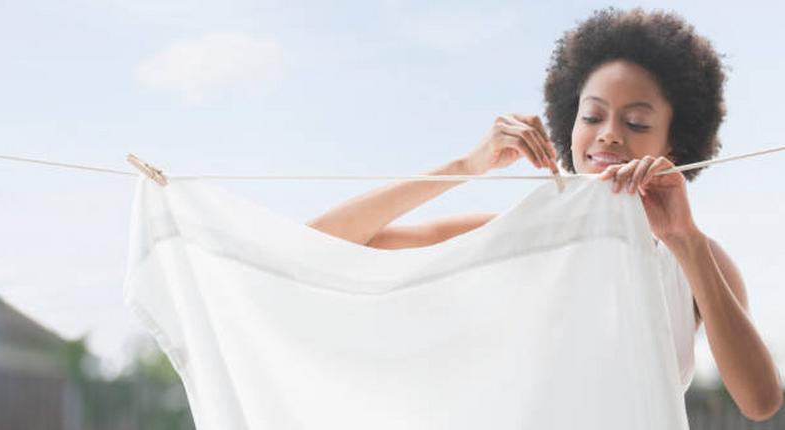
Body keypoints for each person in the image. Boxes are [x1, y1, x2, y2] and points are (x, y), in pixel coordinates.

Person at [306, 6, 782, 421]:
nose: (609, 135)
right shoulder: (517, 234)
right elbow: (321, 241)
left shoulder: (697, 259)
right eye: (592, 116)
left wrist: (685, 239)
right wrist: (464, 167)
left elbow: (761, 402)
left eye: (636, 122)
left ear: (675, 143)